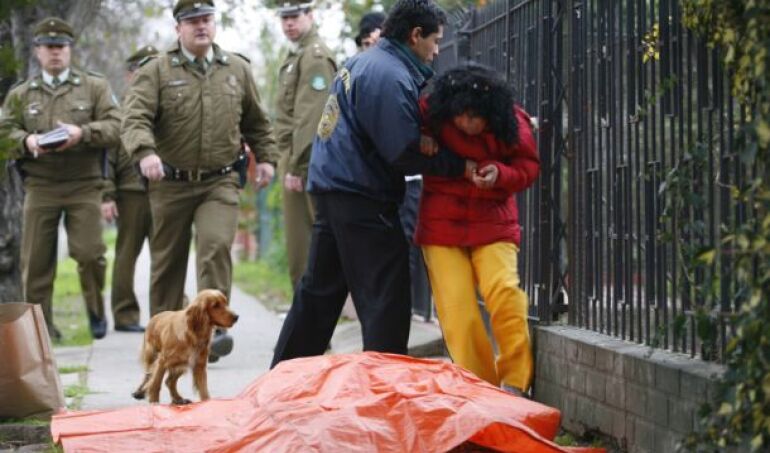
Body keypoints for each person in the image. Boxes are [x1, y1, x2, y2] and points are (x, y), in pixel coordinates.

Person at [271, 0, 475, 368]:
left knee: (319, 294)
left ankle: (283, 377)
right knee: (387, 297)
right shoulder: (390, 75)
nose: (437, 50)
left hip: (334, 187)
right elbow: (402, 150)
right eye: (435, 40)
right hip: (362, 196)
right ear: (416, 35)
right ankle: (386, 388)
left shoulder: (365, 62)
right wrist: (458, 165)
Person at [121, 0, 278, 361]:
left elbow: (257, 121)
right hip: (170, 182)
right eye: (192, 21)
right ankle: (164, 338)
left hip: (219, 181)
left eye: (206, 19)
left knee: (215, 246)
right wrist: (145, 152)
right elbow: (135, 119)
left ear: (215, 23)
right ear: (179, 29)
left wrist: (266, 158)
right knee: (168, 264)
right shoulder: (156, 71)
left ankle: (213, 330)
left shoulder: (236, 69)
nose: (201, 26)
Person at [415, 64, 540, 396]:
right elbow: (405, 127)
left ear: (491, 113)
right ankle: (480, 390)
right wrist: (421, 134)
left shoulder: (512, 121)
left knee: (504, 293)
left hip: (493, 222)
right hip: (441, 226)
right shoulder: (433, 111)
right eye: (461, 117)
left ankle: (515, 382)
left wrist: (501, 174)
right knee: (458, 311)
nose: (467, 124)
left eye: (475, 118)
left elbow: (528, 166)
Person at [0, 17, 121, 341]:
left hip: (84, 184)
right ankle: (42, 331)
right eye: (49, 47)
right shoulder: (22, 94)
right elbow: (4, 131)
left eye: (61, 47)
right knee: (36, 264)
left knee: (90, 254)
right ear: (38, 51)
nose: (55, 53)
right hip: (40, 186)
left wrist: (82, 132)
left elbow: (116, 126)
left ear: (70, 50)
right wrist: (26, 141)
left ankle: (96, 311)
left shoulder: (94, 86)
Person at [356, 10, 433, 321]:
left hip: (405, 177)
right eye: (365, 42)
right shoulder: (377, 70)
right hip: (373, 179)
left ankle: (409, 310)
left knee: (404, 247)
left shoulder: (415, 69)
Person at [274, 0, 337, 288]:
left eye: (295, 16)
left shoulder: (313, 56)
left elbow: (312, 118)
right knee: (301, 240)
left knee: (307, 239)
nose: (289, 23)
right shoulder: (297, 55)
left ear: (310, 15)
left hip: (305, 160)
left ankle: (310, 309)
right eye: (284, 17)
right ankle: (308, 308)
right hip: (297, 157)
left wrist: (297, 167)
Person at [101, 45, 159, 333]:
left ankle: (171, 310)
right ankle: (124, 315)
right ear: (129, 74)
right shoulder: (120, 109)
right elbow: (107, 158)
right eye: (140, 68)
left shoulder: (166, 101)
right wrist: (107, 194)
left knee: (168, 254)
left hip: (165, 190)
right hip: (130, 191)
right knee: (127, 253)